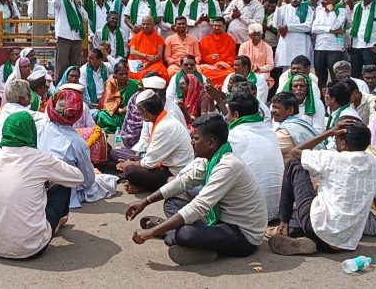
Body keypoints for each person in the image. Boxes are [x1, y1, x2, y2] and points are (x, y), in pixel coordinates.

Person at [267, 119, 376, 256]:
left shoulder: (332, 158)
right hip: (347, 243)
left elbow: (296, 151)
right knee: (318, 198)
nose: (335, 143)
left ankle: (284, 225)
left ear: (343, 144)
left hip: (318, 229)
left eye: (337, 140)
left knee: (294, 164)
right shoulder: (374, 164)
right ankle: (304, 237)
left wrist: (330, 131)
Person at [126, 113, 267, 265]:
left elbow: (199, 206)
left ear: (211, 143)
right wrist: (146, 201)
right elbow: (183, 182)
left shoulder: (228, 165)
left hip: (242, 236)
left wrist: (151, 233)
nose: (192, 142)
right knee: (172, 202)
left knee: (185, 234)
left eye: (196, 138)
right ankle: (180, 234)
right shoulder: (213, 160)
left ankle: (178, 235)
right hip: (221, 220)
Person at [0, 111, 84, 258]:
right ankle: (56, 223)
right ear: (31, 131)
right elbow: (77, 178)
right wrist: (49, 177)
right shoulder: (41, 158)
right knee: (62, 185)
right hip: (30, 248)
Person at [116, 89, 195, 193]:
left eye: (139, 112)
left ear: (144, 111)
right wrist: (132, 160)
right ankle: (140, 184)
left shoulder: (164, 126)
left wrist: (130, 164)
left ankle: (146, 186)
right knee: (122, 157)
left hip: (174, 172)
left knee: (130, 171)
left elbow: (149, 163)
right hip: (161, 162)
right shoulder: (161, 118)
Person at [38, 88, 101, 209]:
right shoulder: (79, 143)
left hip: (37, 189)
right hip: (64, 195)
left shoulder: (40, 127)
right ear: (77, 114)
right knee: (107, 181)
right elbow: (88, 181)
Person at [225, 92, 283, 220]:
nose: (226, 117)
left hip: (252, 214)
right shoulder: (270, 133)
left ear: (235, 115)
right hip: (278, 210)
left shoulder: (234, 136)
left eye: (228, 113)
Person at [52, 0, 89, 79]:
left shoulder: (75, 2)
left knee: (75, 66)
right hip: (64, 37)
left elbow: (85, 18)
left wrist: (79, 7)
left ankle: (74, 87)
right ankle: (60, 87)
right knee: (62, 66)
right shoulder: (60, 2)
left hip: (77, 37)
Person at [310, 0, 347, 88]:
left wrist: (331, 12)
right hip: (320, 46)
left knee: (335, 75)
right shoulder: (319, 10)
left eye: (326, 0)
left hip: (335, 47)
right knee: (320, 76)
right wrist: (329, 30)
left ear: (333, 1)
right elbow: (314, 28)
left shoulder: (341, 10)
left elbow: (336, 26)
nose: (323, 2)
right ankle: (322, 99)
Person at [274, 0, 313, 73]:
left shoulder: (307, 8)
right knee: (286, 72)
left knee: (303, 68)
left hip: (302, 44)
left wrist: (288, 27)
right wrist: (278, 5)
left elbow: (307, 27)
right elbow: (277, 25)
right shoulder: (283, 8)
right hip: (287, 44)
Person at [270, 92, 318, 162]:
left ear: (290, 110)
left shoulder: (285, 133)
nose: (272, 111)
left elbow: (266, 150)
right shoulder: (301, 123)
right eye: (273, 107)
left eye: (277, 107)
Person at [96, 62, 140, 133]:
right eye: (121, 74)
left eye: (126, 74)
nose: (124, 76)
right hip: (114, 114)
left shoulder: (134, 85)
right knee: (102, 115)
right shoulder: (110, 84)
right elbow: (107, 104)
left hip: (129, 115)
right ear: (115, 75)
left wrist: (130, 109)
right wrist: (121, 110)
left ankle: (119, 127)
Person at [127, 15, 169, 82]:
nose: (145, 26)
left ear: (153, 25)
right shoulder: (136, 37)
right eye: (143, 24)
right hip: (137, 61)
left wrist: (148, 63)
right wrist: (146, 56)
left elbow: (159, 55)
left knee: (159, 70)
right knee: (135, 73)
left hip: (153, 62)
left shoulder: (158, 38)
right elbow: (132, 52)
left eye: (147, 24)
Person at [198, 17, 236, 86]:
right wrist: (210, 58)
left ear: (224, 26)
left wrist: (222, 64)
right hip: (209, 68)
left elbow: (232, 58)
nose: (217, 28)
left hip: (224, 69)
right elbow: (202, 58)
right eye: (215, 25)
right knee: (204, 74)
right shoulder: (205, 40)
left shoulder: (230, 40)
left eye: (219, 26)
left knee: (230, 74)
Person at [79, 48, 111, 113]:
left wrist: (107, 55)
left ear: (99, 60)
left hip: (106, 101)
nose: (88, 60)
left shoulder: (106, 67)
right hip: (92, 104)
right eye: (88, 57)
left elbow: (118, 65)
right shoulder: (83, 70)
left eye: (91, 58)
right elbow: (84, 90)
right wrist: (91, 105)